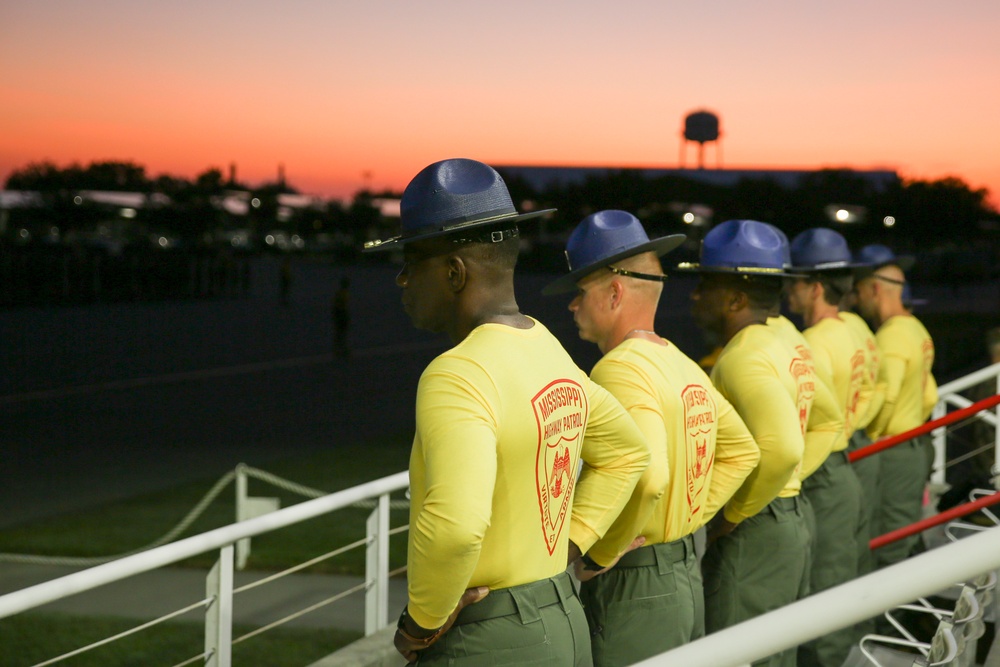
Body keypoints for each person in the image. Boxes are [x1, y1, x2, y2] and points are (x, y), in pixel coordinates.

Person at [363, 158, 651, 666]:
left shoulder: (457, 372)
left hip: (488, 638)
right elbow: (627, 452)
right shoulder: (546, 347)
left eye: (412, 261)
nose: (403, 280)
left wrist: (421, 623)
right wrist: (573, 542)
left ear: (453, 272)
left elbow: (455, 525)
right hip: (561, 616)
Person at [542, 210, 760, 666]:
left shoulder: (619, 367)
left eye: (580, 293)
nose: (572, 306)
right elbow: (742, 452)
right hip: (679, 570)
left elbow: (647, 475)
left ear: (615, 292)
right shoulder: (678, 361)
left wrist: (598, 552)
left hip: (635, 581)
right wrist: (685, 516)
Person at [679, 219, 812, 667]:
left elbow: (783, 449)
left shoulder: (743, 357)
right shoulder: (785, 344)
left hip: (757, 522)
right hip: (786, 512)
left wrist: (731, 517)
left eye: (705, 285)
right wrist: (790, 485)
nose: (695, 295)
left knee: (739, 655)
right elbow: (828, 421)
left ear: (736, 298)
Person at [785, 228, 869, 667]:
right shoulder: (853, 332)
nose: (786, 291)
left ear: (815, 287)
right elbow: (872, 390)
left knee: (823, 590)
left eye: (793, 282)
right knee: (837, 580)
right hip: (844, 460)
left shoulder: (813, 343)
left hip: (821, 471)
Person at [853, 244, 937, 569]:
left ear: (874, 289)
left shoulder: (891, 336)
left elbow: (885, 397)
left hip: (891, 450)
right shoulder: (917, 329)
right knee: (902, 536)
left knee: (885, 548)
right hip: (914, 443)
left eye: (859, 290)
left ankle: (885, 620)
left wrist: (869, 435)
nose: (856, 299)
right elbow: (929, 395)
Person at [332, 275, 351, 356]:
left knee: (339, 333)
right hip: (342, 313)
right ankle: (341, 350)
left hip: (339, 313)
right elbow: (341, 305)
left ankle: (339, 349)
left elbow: (335, 305)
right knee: (341, 333)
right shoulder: (344, 294)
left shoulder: (339, 293)